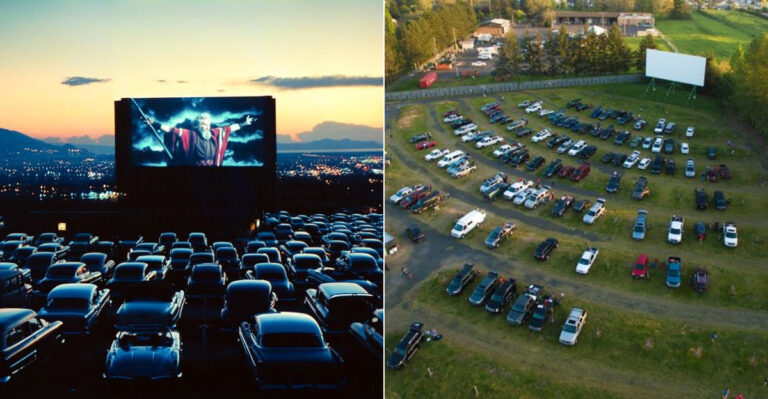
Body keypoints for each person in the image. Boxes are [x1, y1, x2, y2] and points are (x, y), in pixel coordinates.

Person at [145, 113, 252, 166]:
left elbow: (231, 128)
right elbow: (171, 130)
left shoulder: (216, 133)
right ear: (197, 126)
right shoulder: (190, 135)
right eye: (203, 125)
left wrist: (245, 123)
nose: (207, 127)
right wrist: (154, 123)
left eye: (208, 124)